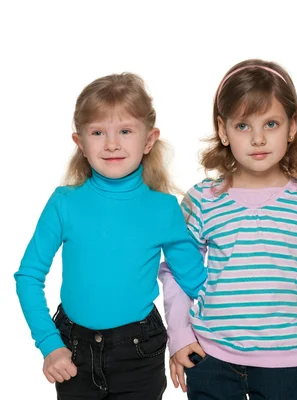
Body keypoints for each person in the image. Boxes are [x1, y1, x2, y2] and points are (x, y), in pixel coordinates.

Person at [15, 73, 207, 399]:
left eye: (125, 131)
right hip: (73, 348)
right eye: (98, 132)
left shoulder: (163, 208)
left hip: (139, 350)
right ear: (80, 143)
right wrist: (50, 344)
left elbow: (197, 280)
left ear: (149, 140)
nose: (112, 143)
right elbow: (28, 276)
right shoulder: (64, 202)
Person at [159, 59, 297, 400]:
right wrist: (179, 335)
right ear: (223, 131)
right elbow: (176, 271)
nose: (258, 138)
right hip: (211, 355)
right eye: (243, 126)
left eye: (271, 123)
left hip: (286, 360)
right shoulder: (202, 200)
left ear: (292, 128)